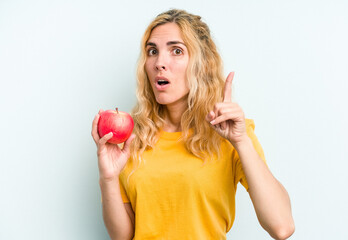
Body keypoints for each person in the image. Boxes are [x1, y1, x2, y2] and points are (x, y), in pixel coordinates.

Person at [91, 9, 294, 240]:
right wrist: (108, 179)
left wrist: (240, 141)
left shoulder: (232, 134)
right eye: (152, 51)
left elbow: (282, 226)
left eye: (176, 51)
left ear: (202, 63)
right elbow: (124, 237)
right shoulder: (131, 139)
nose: (159, 62)